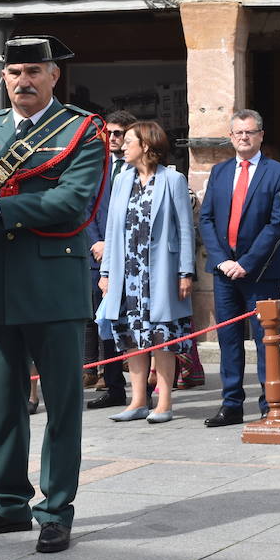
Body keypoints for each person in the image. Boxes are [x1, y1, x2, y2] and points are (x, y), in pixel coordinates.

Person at [0, 34, 105, 554]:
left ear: (53, 76)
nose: (24, 82)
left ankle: (56, 508)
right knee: (5, 402)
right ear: (3, 78)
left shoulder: (83, 129)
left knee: (62, 403)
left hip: (54, 281)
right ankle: (9, 504)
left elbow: (73, 201)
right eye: (15, 72)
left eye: (34, 72)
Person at [95, 120, 195, 424]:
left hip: (161, 272)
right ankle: (138, 400)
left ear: (146, 146)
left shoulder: (172, 180)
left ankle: (164, 402)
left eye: (129, 141)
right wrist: (107, 271)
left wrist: (185, 272)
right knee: (131, 336)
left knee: (161, 336)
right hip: (128, 274)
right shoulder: (122, 180)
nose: (123, 146)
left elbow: (186, 229)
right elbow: (112, 230)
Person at [199, 108, 280, 426]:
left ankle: (270, 403)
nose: (244, 137)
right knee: (229, 341)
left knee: (266, 341)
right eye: (239, 132)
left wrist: (246, 263)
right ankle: (232, 403)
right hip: (224, 273)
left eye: (250, 132)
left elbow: (277, 224)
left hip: (260, 272)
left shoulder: (278, 172)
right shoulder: (219, 172)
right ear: (231, 137)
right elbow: (205, 218)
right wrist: (223, 260)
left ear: (261, 135)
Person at [85, 109, 136, 408]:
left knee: (136, 321)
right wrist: (97, 243)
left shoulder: (137, 168)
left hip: (130, 256)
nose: (113, 138)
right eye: (110, 133)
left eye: (119, 133)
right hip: (98, 256)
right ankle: (114, 385)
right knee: (104, 320)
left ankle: (143, 384)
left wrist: (117, 247)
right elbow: (86, 208)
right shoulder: (97, 167)